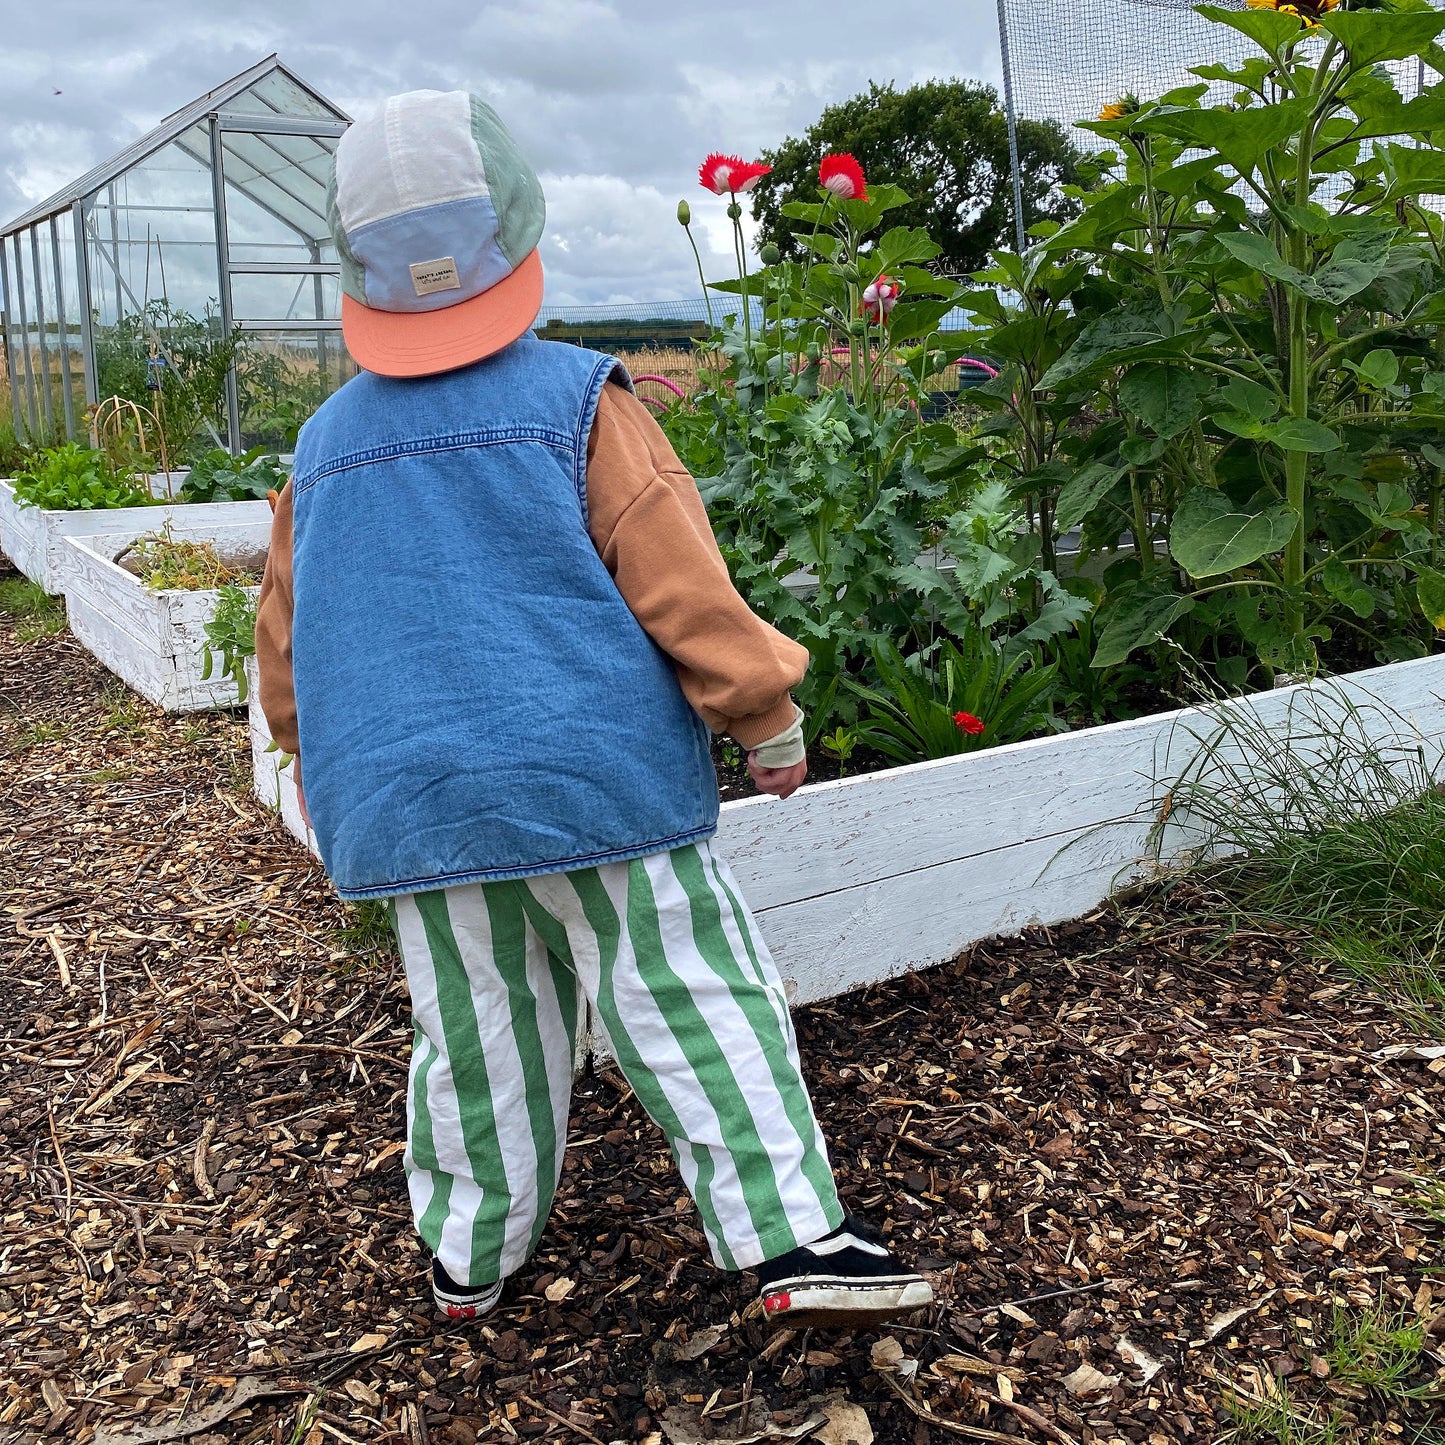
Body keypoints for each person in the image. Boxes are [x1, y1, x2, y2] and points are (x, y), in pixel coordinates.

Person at [255, 88, 932, 1330]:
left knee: (474, 1026)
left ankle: (468, 1254)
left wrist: (307, 755)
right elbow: (678, 580)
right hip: (594, 779)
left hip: (414, 804)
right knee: (684, 991)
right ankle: (788, 1236)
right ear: (520, 229)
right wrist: (760, 713)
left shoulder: (322, 447)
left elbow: (291, 639)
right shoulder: (579, 402)